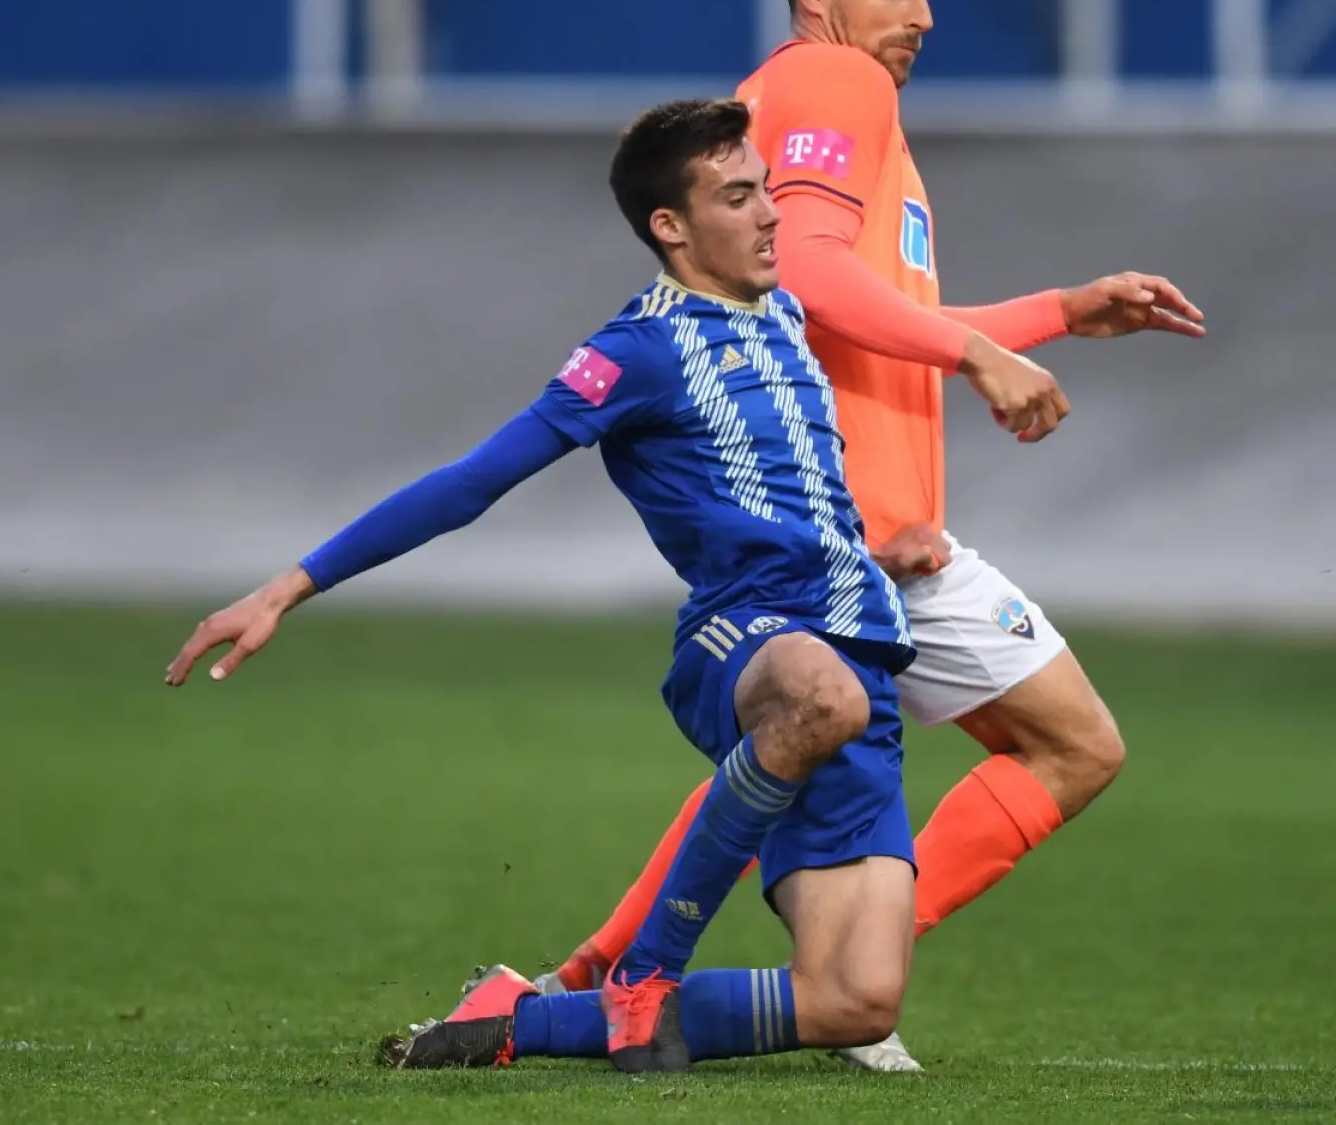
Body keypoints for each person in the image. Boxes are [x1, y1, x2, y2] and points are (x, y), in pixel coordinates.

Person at [530, 0, 1205, 1073]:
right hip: (865, 534)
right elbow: (813, 271)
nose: (924, 13)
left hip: (846, 530)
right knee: (1066, 743)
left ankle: (603, 978)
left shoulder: (790, 100)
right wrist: (979, 355)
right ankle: (816, 978)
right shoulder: (838, 81)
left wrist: (1054, 311)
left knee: (802, 751)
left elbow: (860, 306)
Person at [164, 98, 925, 1073]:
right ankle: (647, 969)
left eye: (765, 188)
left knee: (855, 999)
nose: (772, 212)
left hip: (861, 652)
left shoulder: (783, 313)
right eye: (739, 197)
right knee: (824, 696)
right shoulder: (634, 351)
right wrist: (289, 586)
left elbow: (792, 484)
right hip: (746, 640)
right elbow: (473, 480)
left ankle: (515, 1020)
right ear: (671, 225)